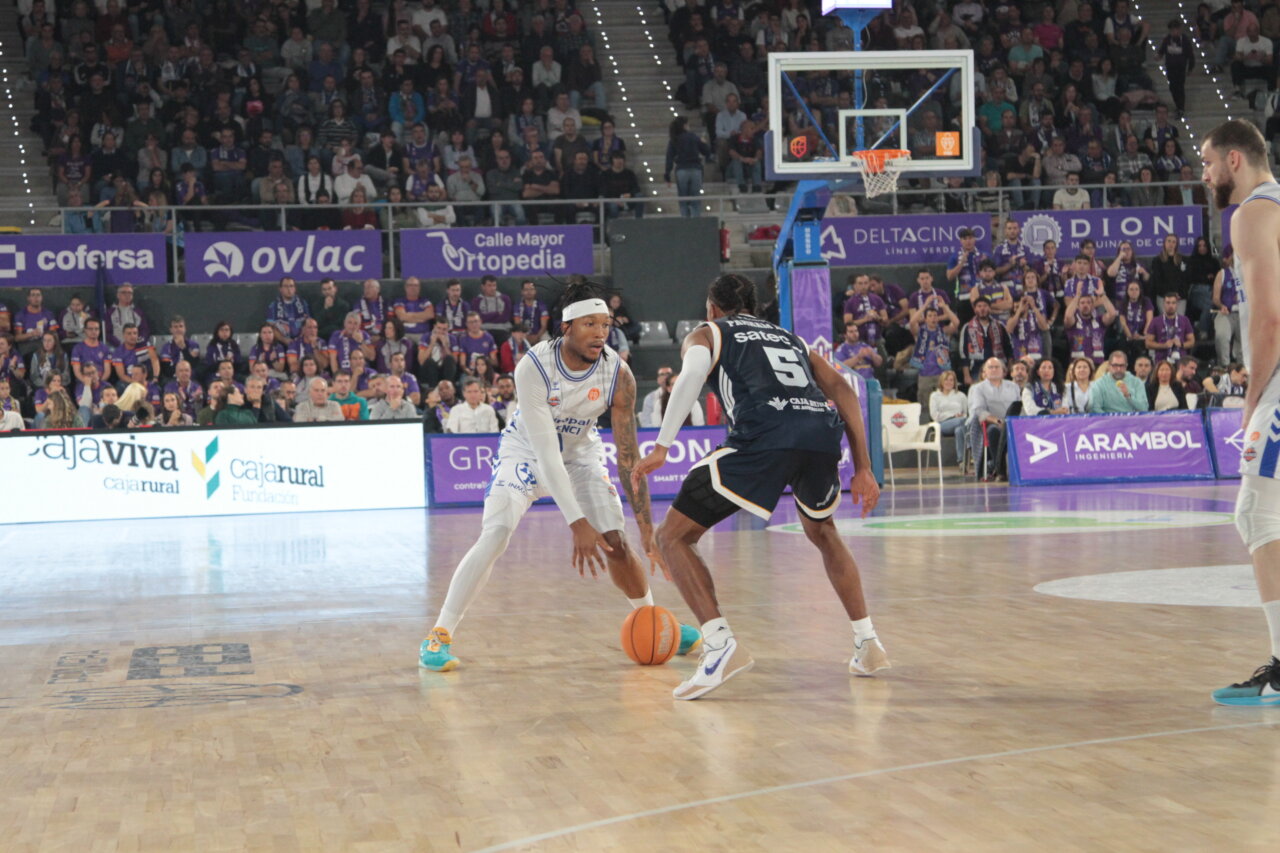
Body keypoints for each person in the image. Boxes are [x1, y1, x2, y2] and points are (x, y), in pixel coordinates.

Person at [420, 281, 699, 673]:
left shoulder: (618, 374)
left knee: (617, 542)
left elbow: (626, 456)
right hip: (527, 451)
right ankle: (439, 635)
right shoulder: (533, 366)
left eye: (605, 324)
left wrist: (646, 529)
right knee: (496, 533)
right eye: (590, 324)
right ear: (566, 327)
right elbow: (547, 453)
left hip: (581, 454)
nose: (601, 332)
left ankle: (651, 618)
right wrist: (576, 521)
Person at [632, 274, 885, 700]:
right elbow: (842, 387)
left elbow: (691, 376)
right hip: (821, 433)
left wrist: (661, 446)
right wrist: (864, 466)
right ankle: (868, 642)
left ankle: (719, 645)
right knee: (823, 531)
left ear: (712, 307)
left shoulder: (708, 331)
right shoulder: (790, 339)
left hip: (765, 433)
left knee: (672, 536)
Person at [967, 357, 1021, 479]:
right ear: (985, 372)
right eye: (990, 367)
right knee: (994, 431)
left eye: (997, 367)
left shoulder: (1014, 387)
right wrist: (996, 420)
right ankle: (1000, 470)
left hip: (1012, 423)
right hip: (991, 423)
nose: (994, 369)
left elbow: (1018, 407)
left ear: (1003, 371)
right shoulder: (978, 388)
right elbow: (979, 410)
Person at [1212, 245, 1244, 367]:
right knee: (1222, 335)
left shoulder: (1247, 273)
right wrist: (1221, 306)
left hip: (1244, 313)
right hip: (1226, 312)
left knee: (1244, 342)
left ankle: (1243, 368)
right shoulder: (1222, 274)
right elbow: (1215, 297)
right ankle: (1224, 366)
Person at [929, 369, 969, 465]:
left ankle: (961, 462)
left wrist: (960, 416)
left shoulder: (961, 396)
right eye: (946, 380)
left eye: (951, 380)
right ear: (941, 381)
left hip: (959, 422)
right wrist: (952, 416)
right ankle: (971, 448)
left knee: (959, 430)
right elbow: (934, 415)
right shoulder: (935, 396)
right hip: (941, 425)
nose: (949, 382)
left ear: (955, 382)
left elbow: (965, 413)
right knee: (963, 421)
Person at [1145, 293, 1196, 363]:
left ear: (1177, 304)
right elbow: (1148, 343)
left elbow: (1192, 342)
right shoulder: (1155, 321)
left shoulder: (1184, 320)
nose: (1170, 305)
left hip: (1181, 361)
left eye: (1173, 303)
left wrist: (1181, 344)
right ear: (1163, 304)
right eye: (1168, 303)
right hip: (1161, 360)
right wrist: (1164, 345)